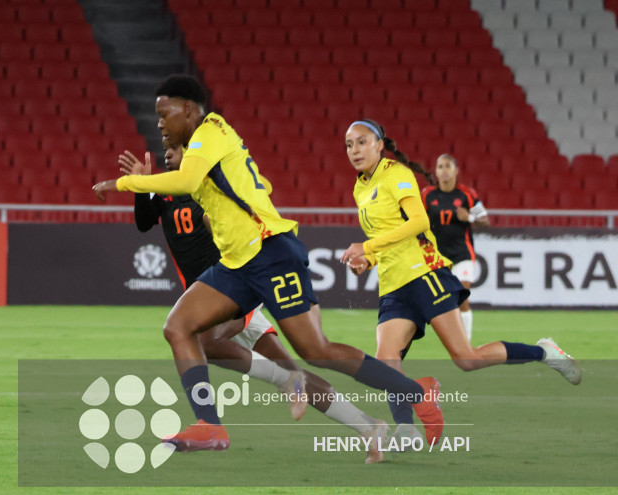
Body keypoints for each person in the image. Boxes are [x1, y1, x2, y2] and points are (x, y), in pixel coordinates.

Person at [94, 74, 443, 453]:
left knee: (315, 352)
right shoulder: (199, 145)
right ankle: (210, 425)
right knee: (178, 326)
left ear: (189, 110)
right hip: (237, 263)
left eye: (165, 114)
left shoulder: (211, 132)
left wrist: (128, 184)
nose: (159, 123)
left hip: (270, 252)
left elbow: (187, 179)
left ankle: (415, 392)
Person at [120, 146, 388, 463]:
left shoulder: (212, 186)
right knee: (293, 373)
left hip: (237, 292)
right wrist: (140, 187)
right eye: (166, 148)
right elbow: (143, 221)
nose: (168, 153)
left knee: (204, 340)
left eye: (175, 148)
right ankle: (369, 426)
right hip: (215, 303)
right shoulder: (164, 189)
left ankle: (248, 400)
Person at [340, 119, 581, 442]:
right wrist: (367, 260)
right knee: (387, 362)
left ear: (380, 144)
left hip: (425, 274)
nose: (354, 150)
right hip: (392, 283)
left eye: (362, 142)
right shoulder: (360, 187)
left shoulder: (396, 174)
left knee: (467, 358)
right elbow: (385, 236)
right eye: (349, 144)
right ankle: (406, 429)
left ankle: (545, 352)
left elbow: (419, 221)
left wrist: (366, 246)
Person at [421, 154, 488, 341]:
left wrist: (471, 218)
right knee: (439, 301)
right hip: (436, 258)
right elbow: (414, 219)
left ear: (456, 171)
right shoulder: (427, 195)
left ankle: (464, 344)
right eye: (440, 166)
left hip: (462, 255)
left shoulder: (467, 195)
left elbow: (485, 221)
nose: (443, 170)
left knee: (461, 298)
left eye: (448, 166)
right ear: (435, 171)